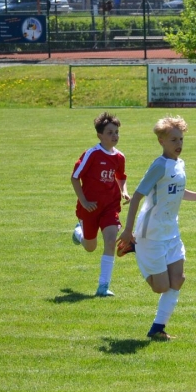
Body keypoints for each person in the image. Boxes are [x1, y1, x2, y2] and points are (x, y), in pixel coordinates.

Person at [117, 116, 196, 341]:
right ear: (161, 141)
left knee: (178, 280)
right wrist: (127, 230)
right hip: (151, 233)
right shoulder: (159, 165)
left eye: (181, 139)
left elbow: (178, 191)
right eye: (173, 140)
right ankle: (135, 247)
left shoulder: (179, 164)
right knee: (161, 287)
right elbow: (137, 197)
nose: (179, 143)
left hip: (171, 231)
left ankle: (157, 329)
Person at [72, 113, 129, 297]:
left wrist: (124, 191)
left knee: (111, 242)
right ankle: (78, 233)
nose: (115, 136)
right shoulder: (92, 154)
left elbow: (120, 176)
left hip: (110, 206)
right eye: (110, 132)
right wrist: (84, 201)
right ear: (100, 135)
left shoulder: (119, 156)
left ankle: (103, 286)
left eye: (116, 132)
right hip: (90, 207)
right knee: (90, 247)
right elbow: (75, 177)